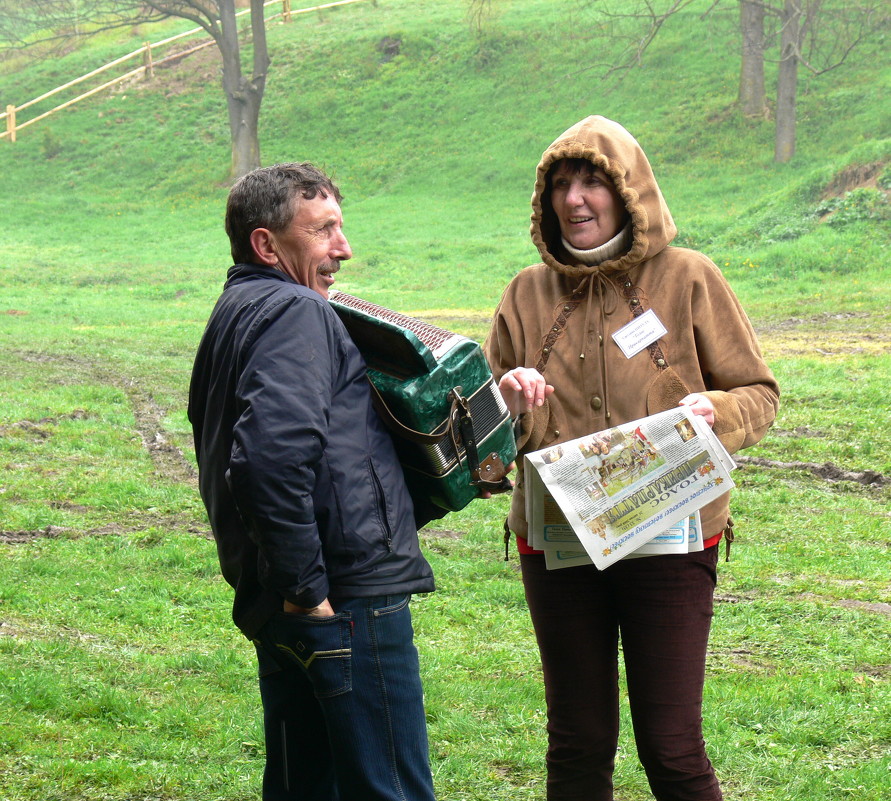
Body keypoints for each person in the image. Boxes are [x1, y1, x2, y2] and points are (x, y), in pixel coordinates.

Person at [484, 116, 779, 801]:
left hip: (672, 538)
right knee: (578, 743)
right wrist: (507, 402)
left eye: (592, 181)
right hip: (557, 547)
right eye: (560, 184)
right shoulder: (526, 294)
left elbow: (758, 392)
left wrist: (718, 412)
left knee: (670, 745)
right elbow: (484, 441)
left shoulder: (689, 277)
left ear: (628, 191)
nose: (574, 199)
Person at [188, 162, 437, 801]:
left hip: (288, 591)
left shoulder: (237, 310)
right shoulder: (295, 312)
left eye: (341, 228)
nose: (343, 249)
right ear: (266, 245)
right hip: (341, 598)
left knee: (308, 787)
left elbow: (334, 467)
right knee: (389, 788)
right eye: (323, 231)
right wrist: (309, 594)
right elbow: (267, 461)